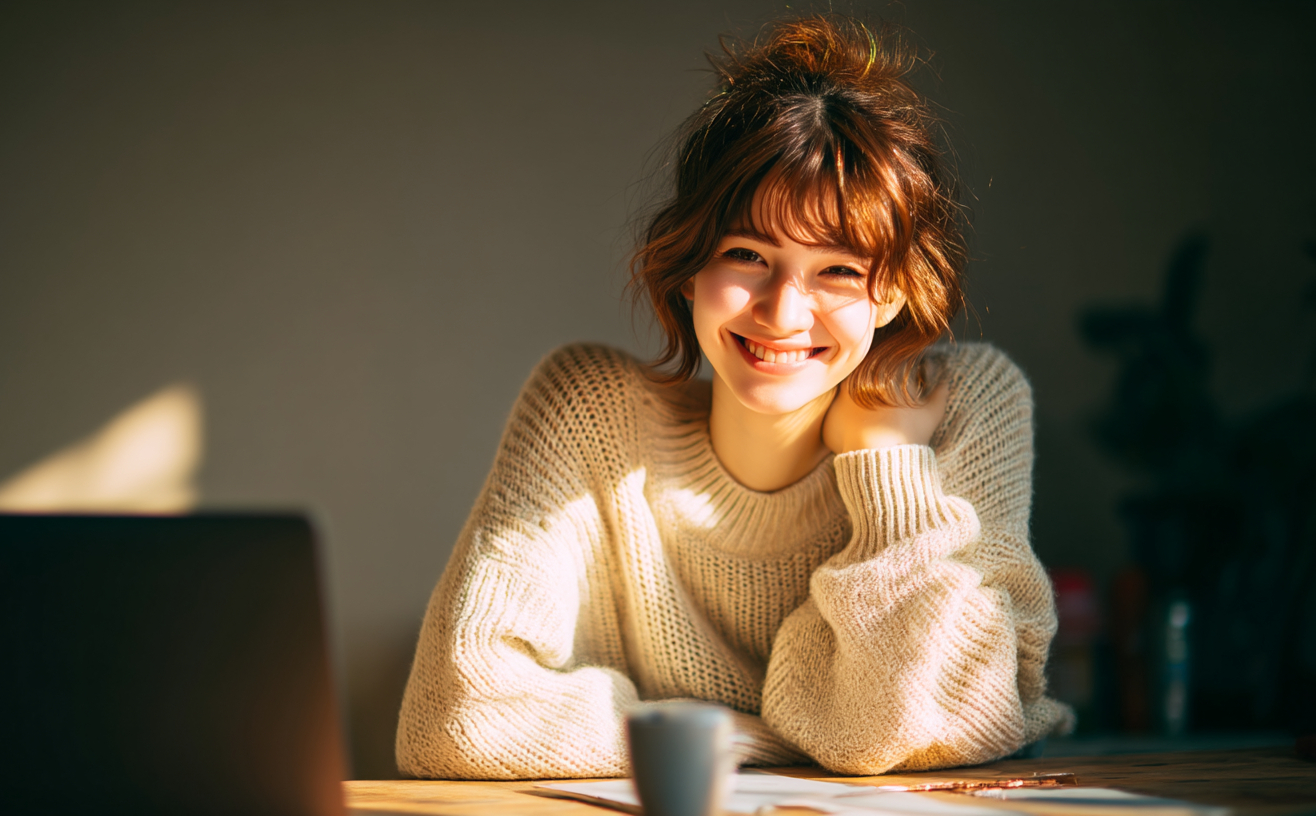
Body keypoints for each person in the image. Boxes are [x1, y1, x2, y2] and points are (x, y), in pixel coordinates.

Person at [395, 13, 1073, 779]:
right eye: (747, 255)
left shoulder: (963, 405)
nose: (783, 312)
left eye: (839, 271)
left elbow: (952, 719)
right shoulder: (586, 410)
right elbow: (452, 717)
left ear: (892, 294)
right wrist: (746, 737)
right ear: (688, 266)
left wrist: (886, 463)